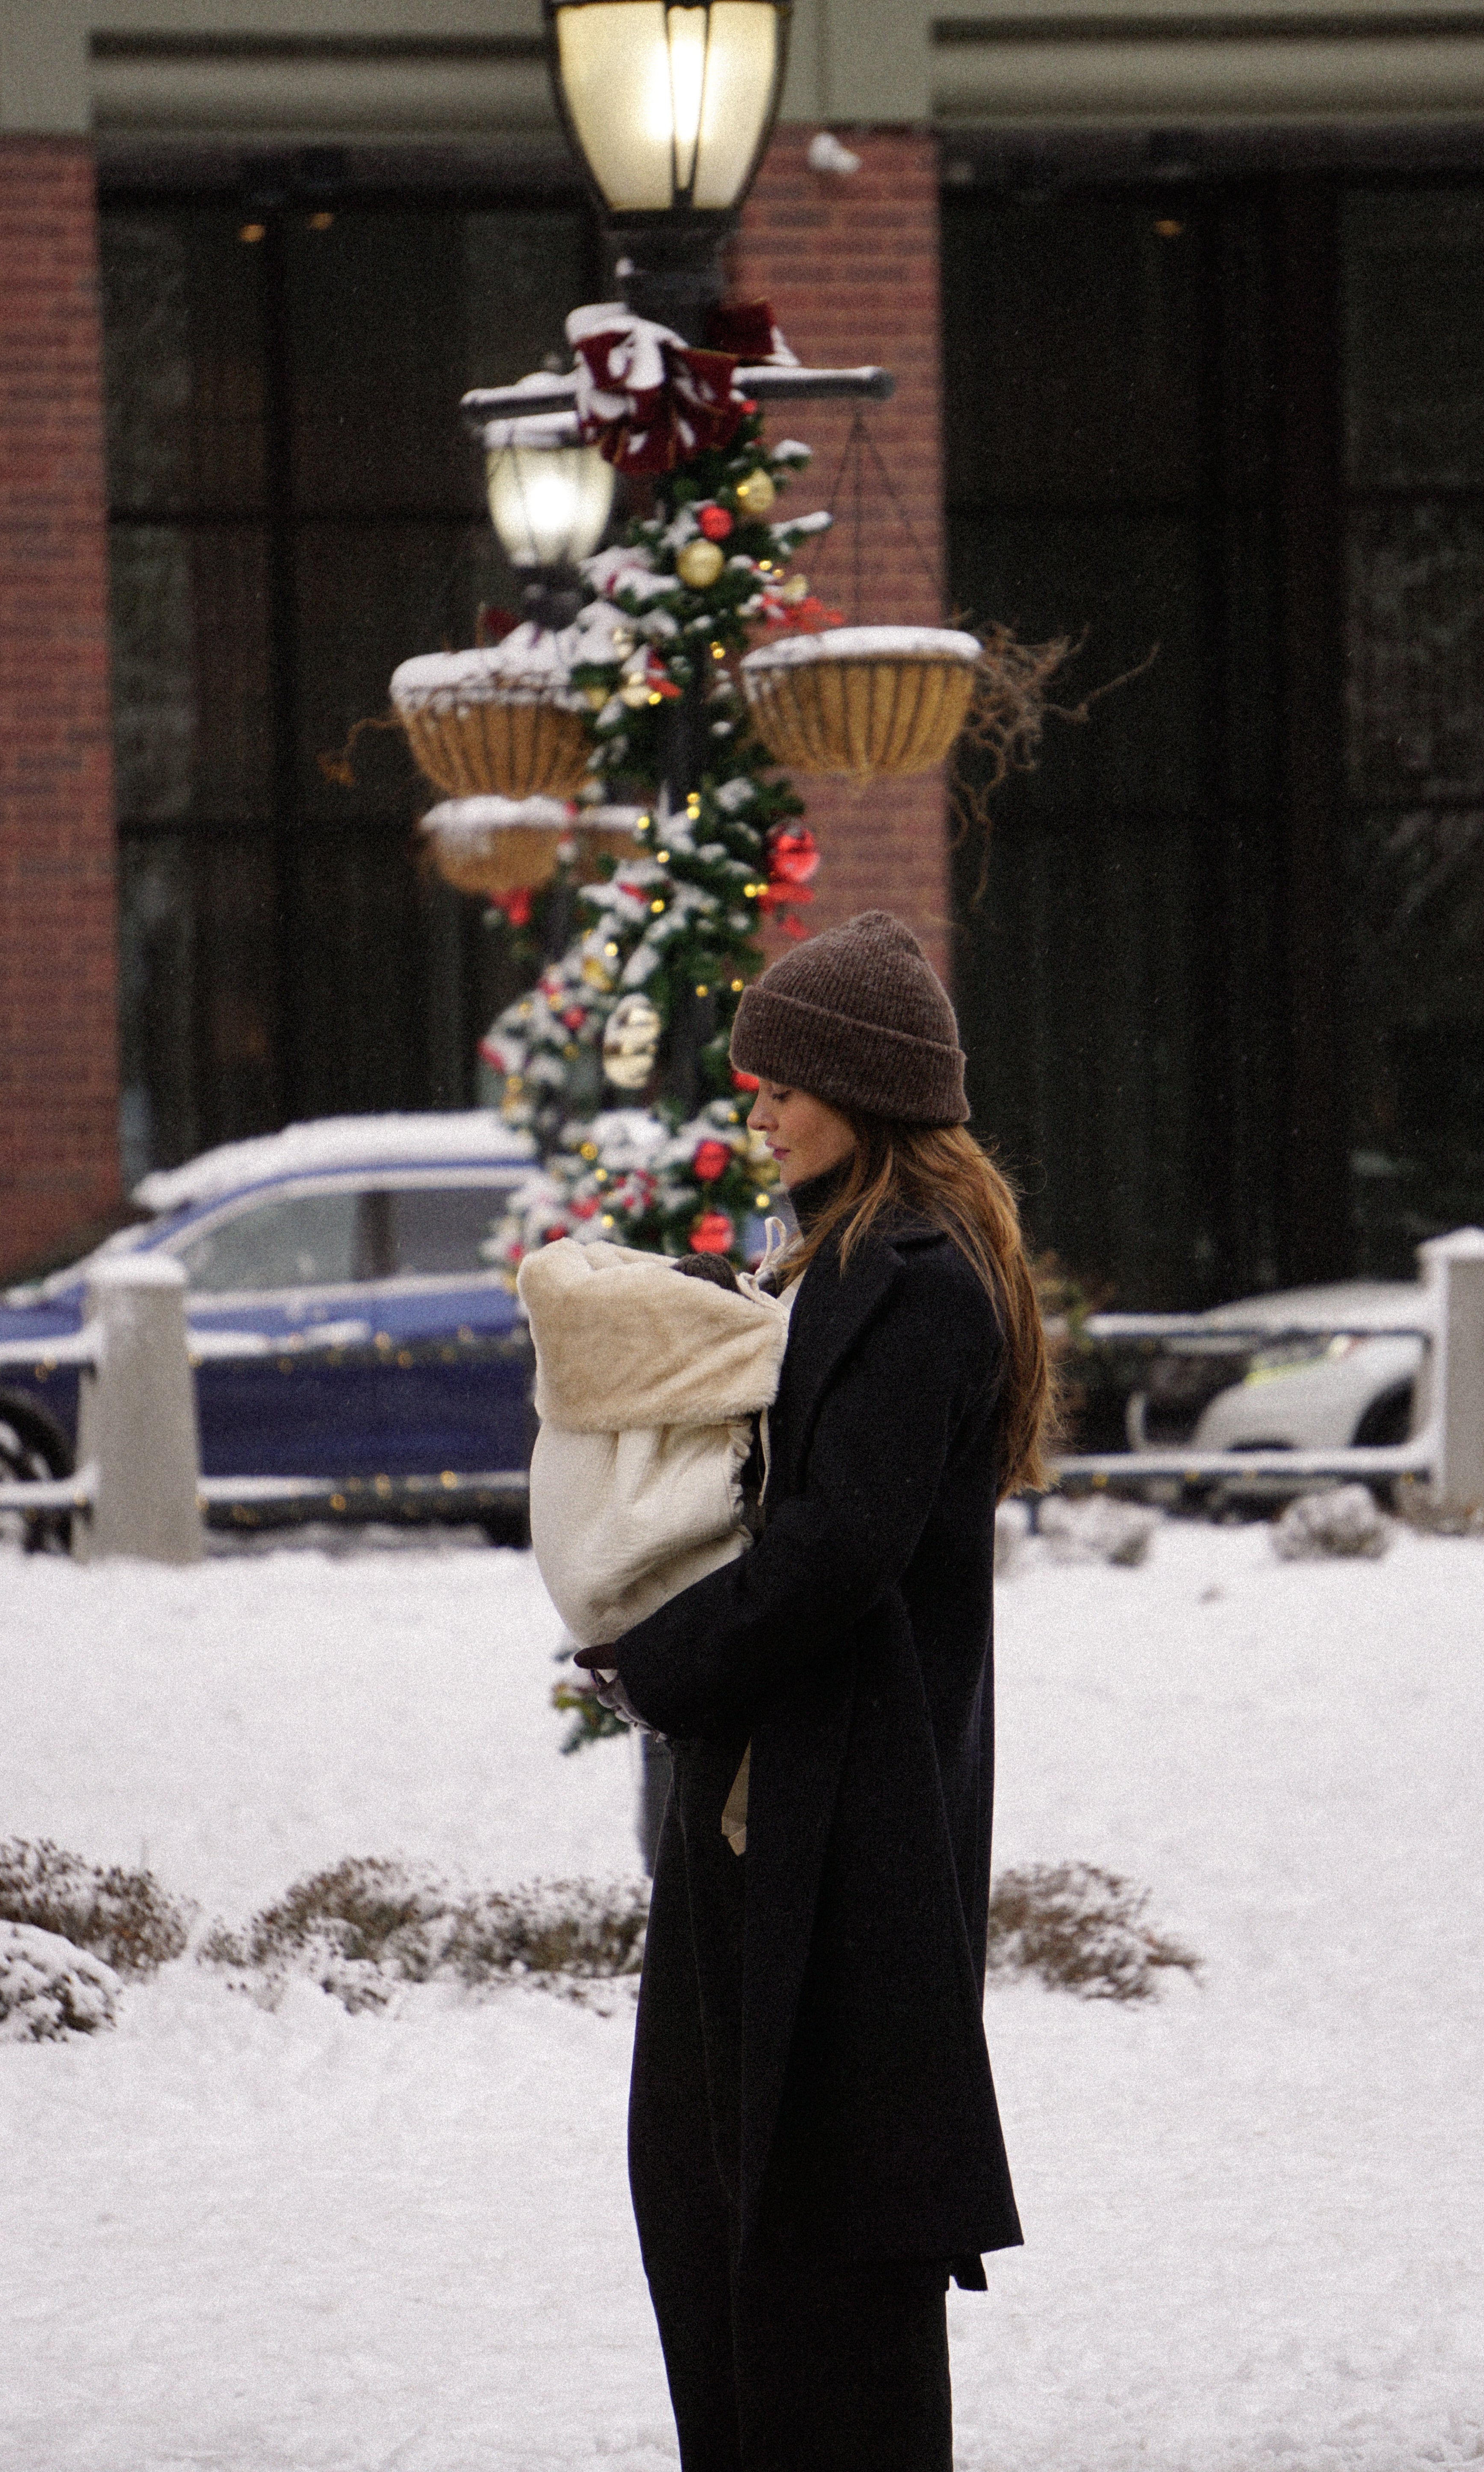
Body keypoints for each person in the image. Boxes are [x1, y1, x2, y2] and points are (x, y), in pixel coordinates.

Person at [574, 909, 1055, 2472]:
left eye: (784, 1079)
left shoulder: (914, 1283)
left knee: (813, 2240)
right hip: (776, 1816)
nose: (760, 1102)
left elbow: (838, 1551)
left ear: (866, 1087)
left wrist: (655, 1662)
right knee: (715, 2198)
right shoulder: (839, 1266)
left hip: (837, 1837)